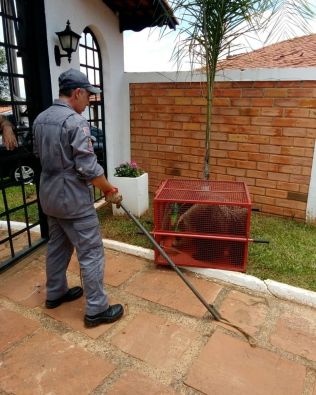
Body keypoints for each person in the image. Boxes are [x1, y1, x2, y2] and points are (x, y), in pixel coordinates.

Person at [33, 68, 124, 327]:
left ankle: (55, 293)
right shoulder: (76, 123)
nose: (88, 102)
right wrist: (109, 190)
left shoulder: (40, 119)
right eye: (88, 96)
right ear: (77, 93)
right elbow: (88, 168)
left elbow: (38, 155)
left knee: (58, 246)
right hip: (73, 201)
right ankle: (96, 309)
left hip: (49, 195)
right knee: (91, 252)